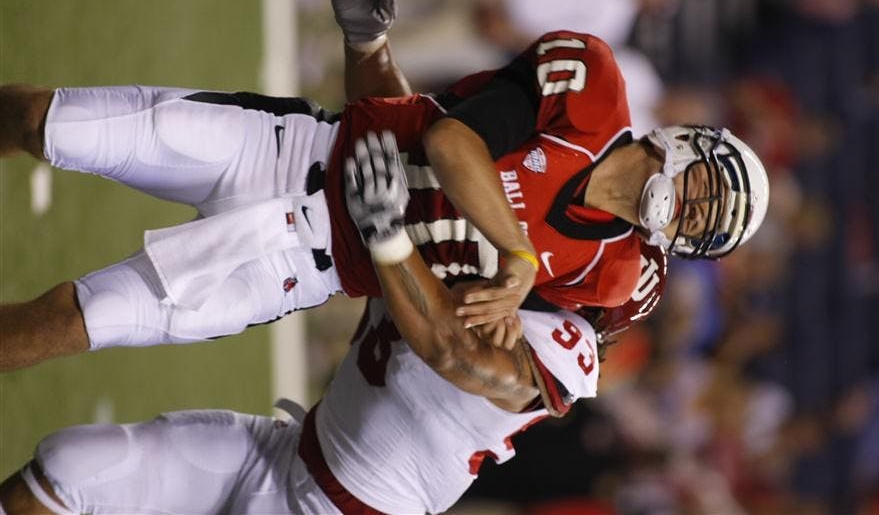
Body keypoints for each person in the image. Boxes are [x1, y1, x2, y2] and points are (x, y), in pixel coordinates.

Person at [0, 0, 768, 372]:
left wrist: (494, 325)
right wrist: (520, 255)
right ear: (691, 140)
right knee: (43, 120)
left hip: (305, 264)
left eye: (706, 222)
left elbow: (493, 370)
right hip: (295, 149)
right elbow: (445, 142)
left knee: (68, 322)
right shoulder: (592, 87)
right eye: (707, 187)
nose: (692, 207)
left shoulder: (617, 281)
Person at [0, 131, 668, 514]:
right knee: (73, 466)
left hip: (340, 507)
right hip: (287, 451)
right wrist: (368, 46)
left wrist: (388, 240)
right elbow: (395, 140)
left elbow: (462, 358)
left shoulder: (566, 342)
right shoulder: (492, 248)